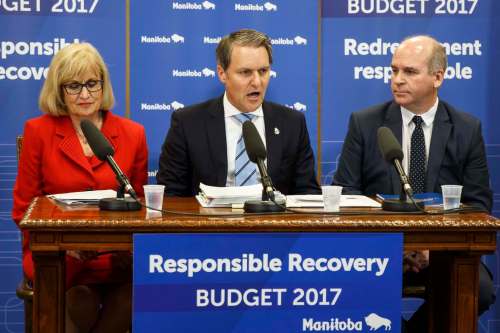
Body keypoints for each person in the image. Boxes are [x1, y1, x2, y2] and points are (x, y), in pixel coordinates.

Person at [332, 35, 495, 332]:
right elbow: (346, 194)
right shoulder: (366, 123)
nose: (397, 80)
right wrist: (395, 247)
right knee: (346, 288)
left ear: (437, 77)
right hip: (379, 250)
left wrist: (433, 249)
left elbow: (479, 204)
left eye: (409, 72)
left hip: (443, 255)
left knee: (480, 290)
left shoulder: (467, 129)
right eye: (394, 70)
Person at [12, 42, 148, 333]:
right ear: (59, 90)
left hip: (114, 256)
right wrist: (68, 246)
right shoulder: (39, 132)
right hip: (57, 256)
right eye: (74, 86)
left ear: (103, 84)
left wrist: (113, 243)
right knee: (80, 301)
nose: (85, 94)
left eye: (91, 84)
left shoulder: (132, 134)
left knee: (134, 298)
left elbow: (139, 207)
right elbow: (23, 209)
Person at [157, 29, 320, 196]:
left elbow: (308, 193)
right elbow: (170, 194)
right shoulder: (188, 123)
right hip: (210, 220)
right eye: (245, 72)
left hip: (272, 220)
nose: (257, 82)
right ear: (222, 74)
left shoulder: (292, 123)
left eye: (263, 71)